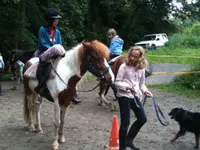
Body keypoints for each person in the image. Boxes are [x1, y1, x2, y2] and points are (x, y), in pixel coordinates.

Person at [35, 7, 81, 104]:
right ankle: (41, 86)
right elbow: (43, 44)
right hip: (45, 54)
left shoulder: (57, 32)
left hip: (57, 54)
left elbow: (60, 43)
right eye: (55, 19)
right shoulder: (42, 30)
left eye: (57, 19)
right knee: (56, 47)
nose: (57, 21)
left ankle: (72, 93)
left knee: (69, 70)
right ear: (50, 20)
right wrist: (54, 49)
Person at [114, 46, 153, 150]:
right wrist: (126, 88)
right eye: (131, 55)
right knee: (125, 123)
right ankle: (122, 147)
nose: (132, 58)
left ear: (140, 57)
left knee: (142, 118)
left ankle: (129, 140)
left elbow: (142, 84)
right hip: (124, 96)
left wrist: (146, 91)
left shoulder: (141, 68)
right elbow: (117, 82)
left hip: (135, 96)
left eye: (135, 57)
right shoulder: (124, 66)